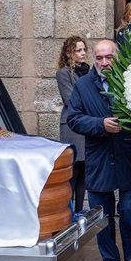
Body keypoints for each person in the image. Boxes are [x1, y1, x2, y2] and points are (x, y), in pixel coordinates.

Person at [67, 39, 131, 261]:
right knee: (103, 216)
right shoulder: (82, 86)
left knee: (127, 211)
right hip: (100, 160)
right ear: (94, 59)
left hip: (130, 157)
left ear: (118, 57)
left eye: (109, 57)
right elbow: (74, 119)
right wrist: (100, 125)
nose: (104, 62)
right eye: (100, 58)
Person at [55, 35, 91, 214]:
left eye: (84, 49)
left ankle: (78, 211)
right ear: (70, 53)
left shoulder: (89, 71)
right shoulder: (63, 73)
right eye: (78, 50)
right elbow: (71, 100)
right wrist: (92, 103)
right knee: (73, 172)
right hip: (72, 127)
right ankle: (67, 213)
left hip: (87, 126)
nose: (83, 53)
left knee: (84, 172)